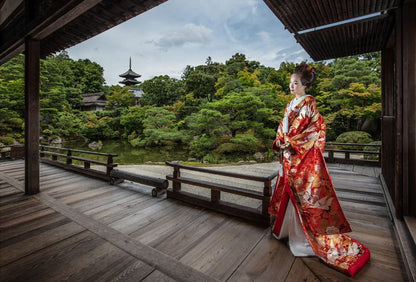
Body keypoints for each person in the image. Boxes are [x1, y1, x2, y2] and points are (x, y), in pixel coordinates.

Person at [269, 64, 370, 276]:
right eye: (290, 82)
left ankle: (304, 238)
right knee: (292, 195)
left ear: (304, 84)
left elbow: (313, 131)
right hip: (290, 154)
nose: (291, 85)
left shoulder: (309, 103)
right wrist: (280, 140)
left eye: (295, 82)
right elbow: (283, 126)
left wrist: (290, 143)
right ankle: (287, 232)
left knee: (306, 199)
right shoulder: (291, 104)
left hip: (301, 157)